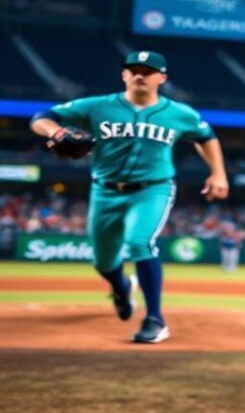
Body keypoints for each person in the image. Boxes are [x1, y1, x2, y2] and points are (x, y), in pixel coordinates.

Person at [30, 51, 229, 344]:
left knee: (139, 243)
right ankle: (121, 287)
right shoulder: (97, 106)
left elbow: (206, 137)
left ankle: (155, 320)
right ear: (123, 75)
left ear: (162, 78)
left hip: (153, 189)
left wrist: (218, 173)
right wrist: (56, 132)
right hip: (105, 191)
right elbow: (41, 118)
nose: (139, 75)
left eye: (147, 71)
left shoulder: (180, 113)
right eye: (133, 70)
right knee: (103, 262)